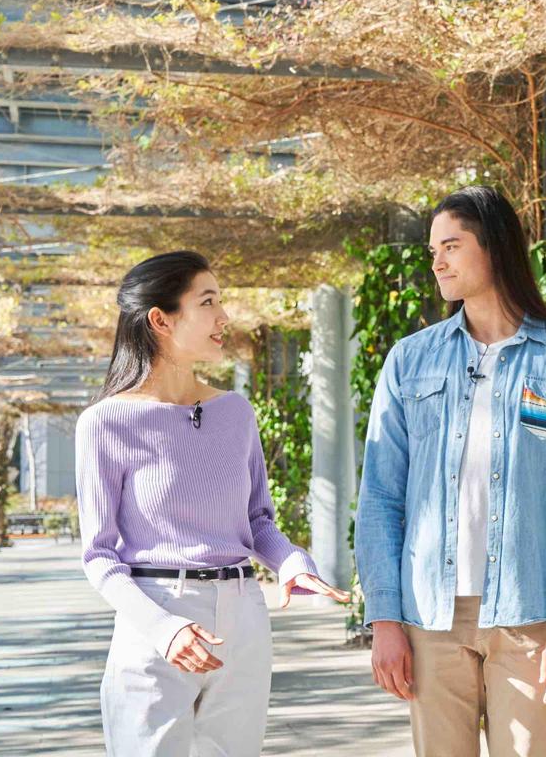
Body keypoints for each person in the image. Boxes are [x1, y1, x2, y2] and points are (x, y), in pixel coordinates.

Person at [355, 186, 546, 756]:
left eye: (451, 245)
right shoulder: (410, 360)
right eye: (433, 251)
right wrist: (384, 620)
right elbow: (379, 498)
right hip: (430, 615)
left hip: (529, 613)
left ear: (494, 248)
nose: (438, 262)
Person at [76, 250, 348, 757]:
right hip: (156, 615)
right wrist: (162, 627)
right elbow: (98, 555)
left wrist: (292, 563)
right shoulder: (106, 422)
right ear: (161, 319)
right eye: (207, 302)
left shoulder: (235, 413)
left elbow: (257, 520)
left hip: (242, 614)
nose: (224, 317)